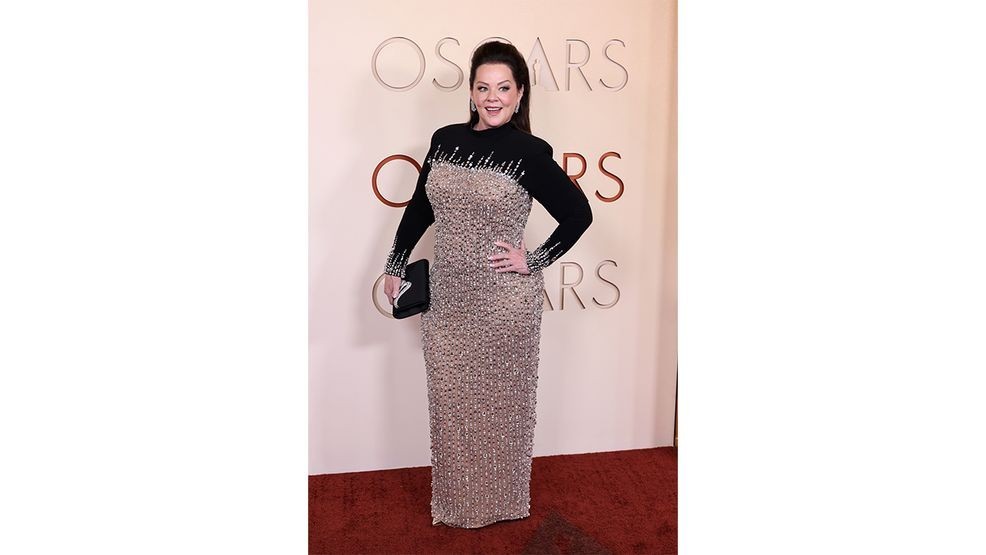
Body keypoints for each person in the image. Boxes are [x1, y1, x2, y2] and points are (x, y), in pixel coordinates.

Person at [382, 40, 592, 528]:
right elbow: (421, 208)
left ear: (520, 95)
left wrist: (534, 259)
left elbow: (578, 214)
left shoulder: (529, 153)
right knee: (452, 408)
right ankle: (458, 505)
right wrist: (396, 261)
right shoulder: (444, 139)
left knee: (502, 411)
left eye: (504, 88)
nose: (493, 97)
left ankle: (503, 503)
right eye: (483, 87)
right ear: (472, 92)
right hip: (450, 300)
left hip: (503, 306)